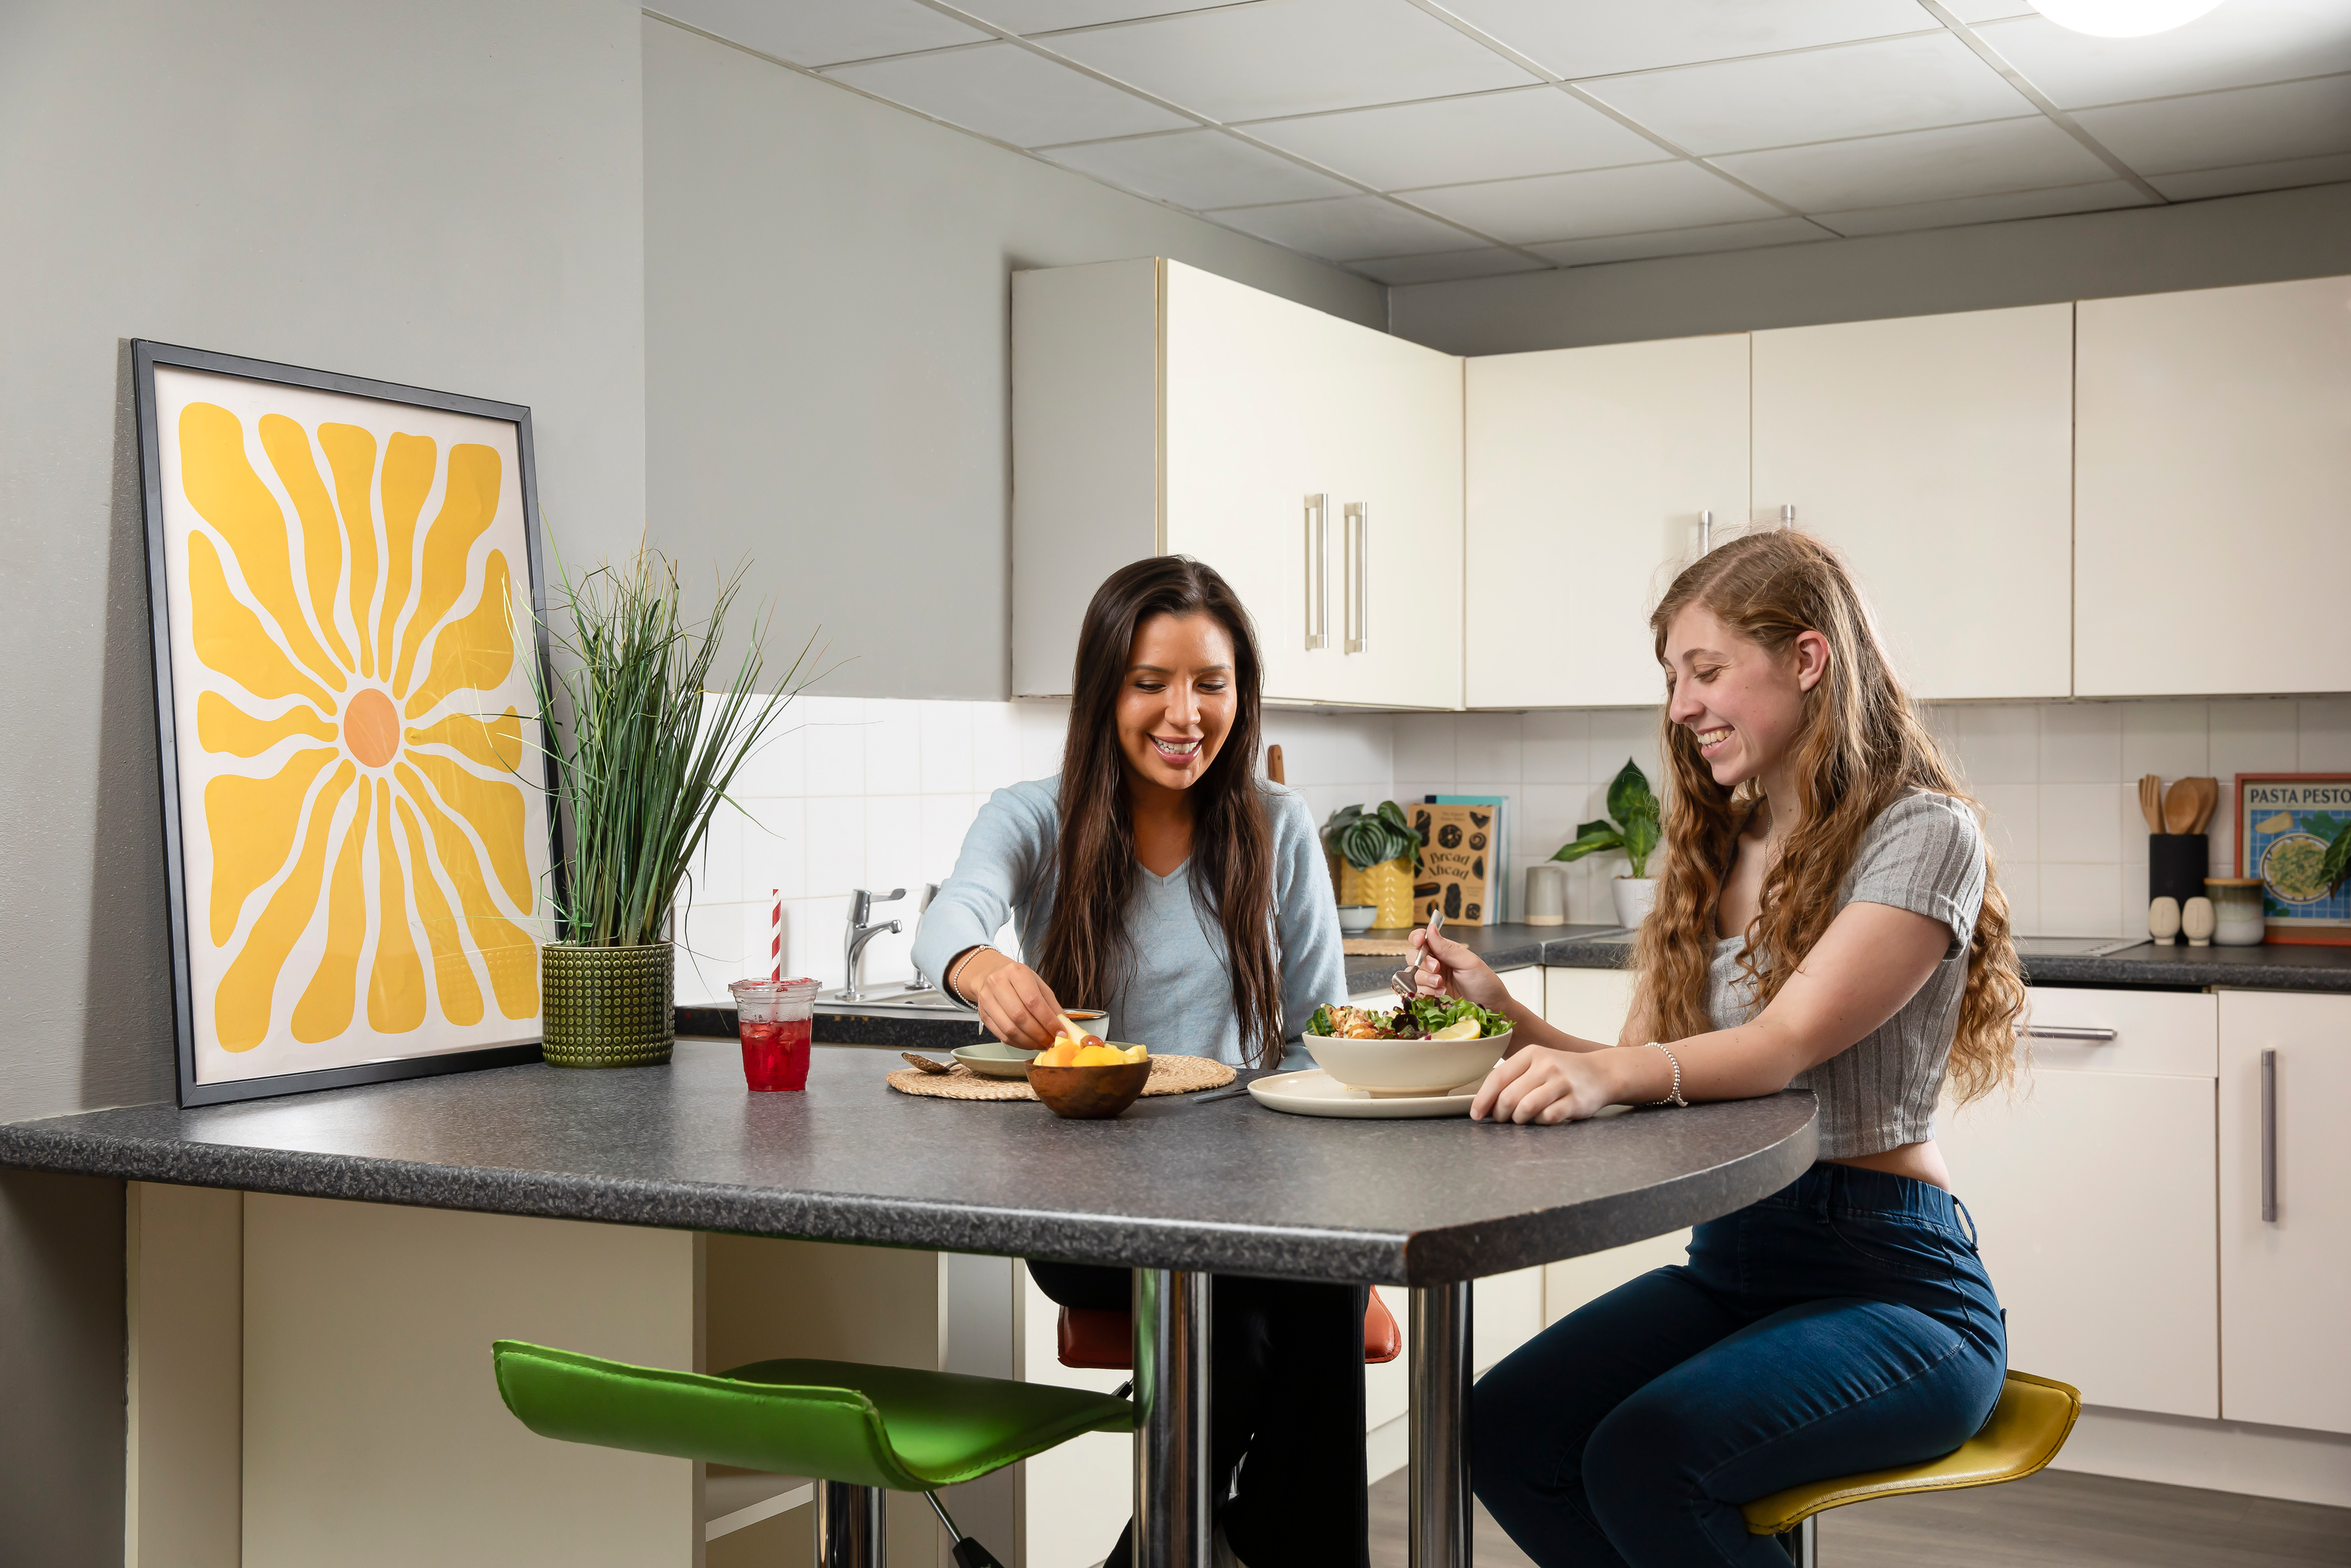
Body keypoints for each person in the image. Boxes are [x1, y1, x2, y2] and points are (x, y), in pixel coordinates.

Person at [1408, 529, 2026, 1568]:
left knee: (1651, 1458)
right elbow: (1646, 1077)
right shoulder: (1719, 846)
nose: (1681, 705)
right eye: (1672, 679)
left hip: (1894, 1284)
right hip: (1734, 1259)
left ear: (1807, 660)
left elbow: (1777, 1047)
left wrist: (1607, 1067)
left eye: (1706, 671)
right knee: (1505, 1433)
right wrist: (1506, 1014)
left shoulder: (1922, 832)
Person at [912, 555, 1360, 1568]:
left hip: (1246, 1199)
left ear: (1241, 696)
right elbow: (948, 918)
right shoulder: (1035, 814)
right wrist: (981, 967)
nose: (1184, 713)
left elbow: (1318, 1038)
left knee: (1278, 1306)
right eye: (1150, 682)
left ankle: (1253, 1538)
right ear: (1105, 687)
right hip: (1087, 1205)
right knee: (1280, 1308)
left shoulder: (1276, 826)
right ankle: (1279, 1536)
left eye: (1212, 683)